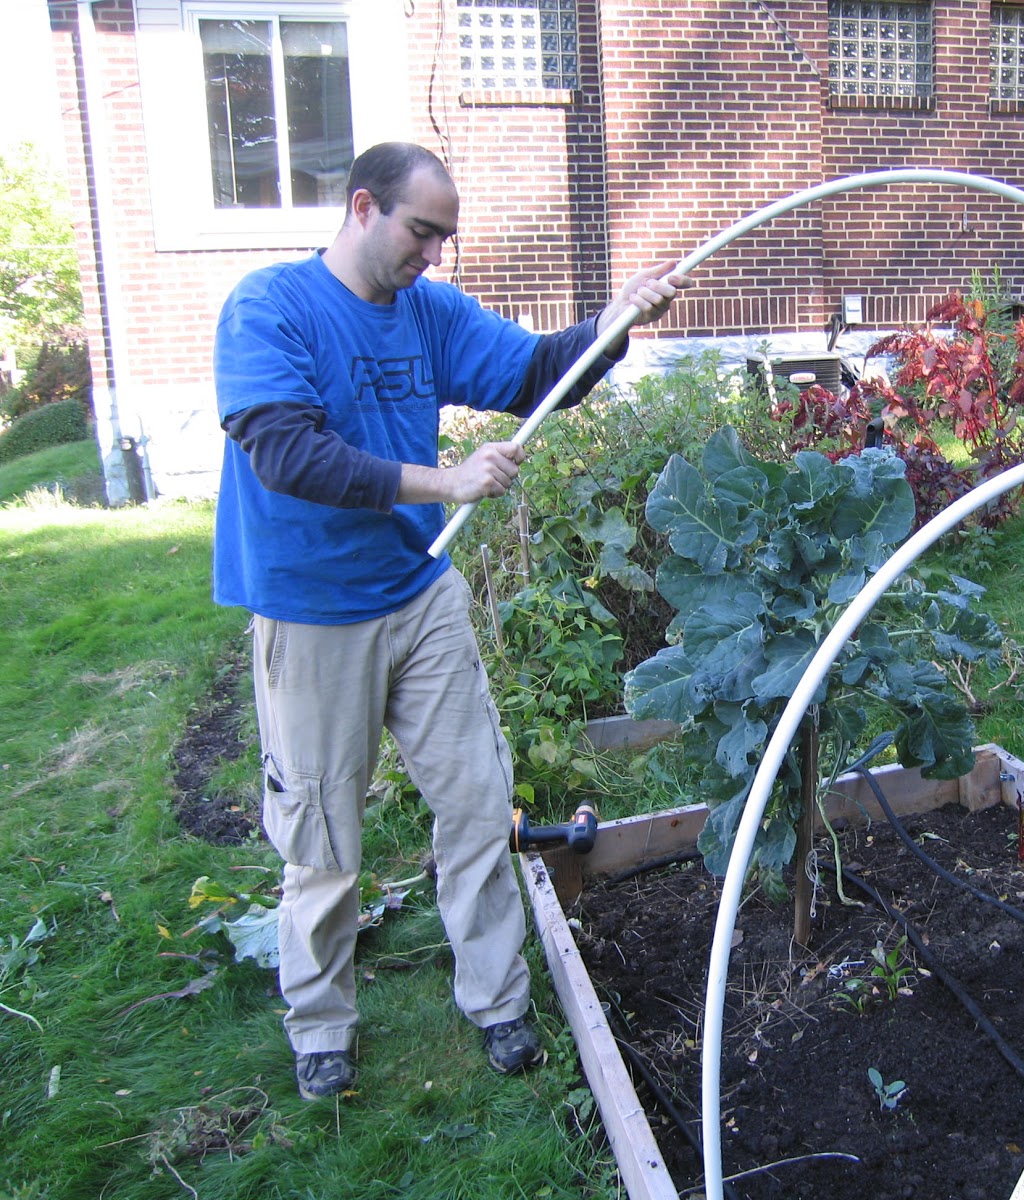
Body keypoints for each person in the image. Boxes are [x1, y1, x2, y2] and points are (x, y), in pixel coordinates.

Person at [211, 141, 688, 1101]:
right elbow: (288, 453)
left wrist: (614, 322)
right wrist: (445, 480)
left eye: (443, 239)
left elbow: (534, 375)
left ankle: (499, 1000)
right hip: (311, 611)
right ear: (362, 208)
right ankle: (322, 1023)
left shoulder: (425, 312)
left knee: (478, 801)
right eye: (421, 233)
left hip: (418, 594)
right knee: (322, 831)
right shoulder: (270, 307)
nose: (432, 255)